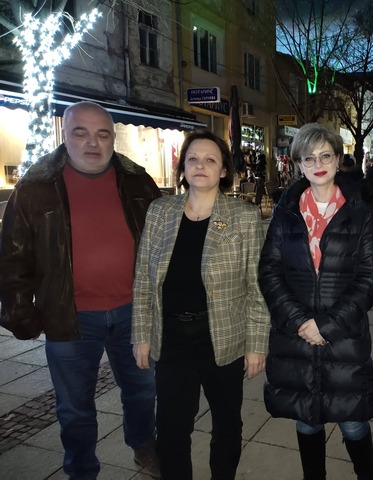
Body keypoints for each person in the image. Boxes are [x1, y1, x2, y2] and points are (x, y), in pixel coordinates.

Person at [0, 101, 161, 479]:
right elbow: (12, 257)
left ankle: (144, 447)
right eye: (81, 133)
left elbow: (165, 243)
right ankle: (81, 470)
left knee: (143, 391)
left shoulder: (138, 182)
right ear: (64, 136)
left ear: (113, 138)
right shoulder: (35, 188)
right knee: (74, 407)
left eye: (103, 134)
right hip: (69, 317)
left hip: (134, 313)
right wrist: (21, 314)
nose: (93, 142)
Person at [132, 130, 269, 480]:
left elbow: (256, 288)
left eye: (210, 160)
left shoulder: (243, 217)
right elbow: (144, 279)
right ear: (183, 167)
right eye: (193, 159)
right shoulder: (160, 212)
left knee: (227, 424)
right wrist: (141, 334)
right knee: (171, 428)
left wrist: (256, 345)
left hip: (221, 338)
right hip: (172, 339)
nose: (200, 166)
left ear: (223, 170)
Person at [259, 123, 373, 480]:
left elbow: (371, 277)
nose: (318, 164)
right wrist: (300, 321)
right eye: (309, 158)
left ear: (338, 159)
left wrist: (327, 325)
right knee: (306, 420)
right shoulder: (286, 210)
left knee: (353, 422)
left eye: (325, 155)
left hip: (344, 336)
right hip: (295, 336)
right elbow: (269, 270)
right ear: (298, 164)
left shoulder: (360, 210)